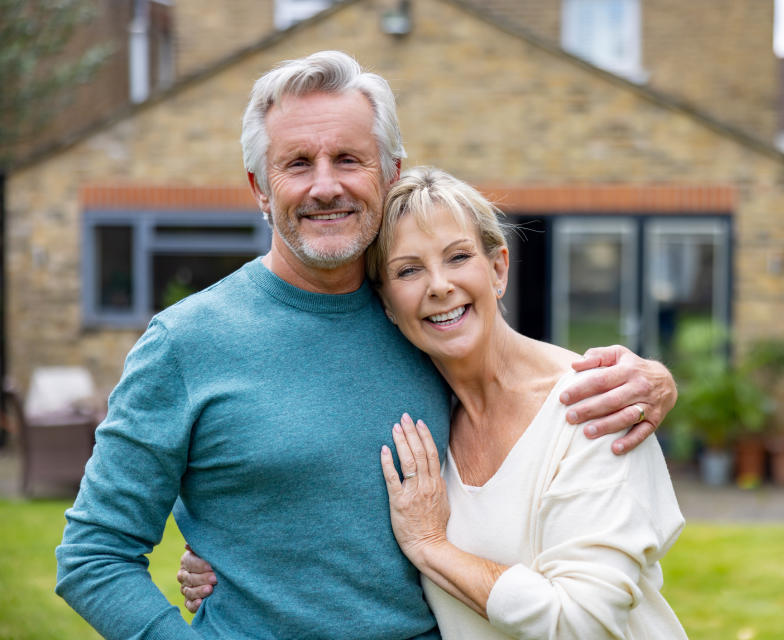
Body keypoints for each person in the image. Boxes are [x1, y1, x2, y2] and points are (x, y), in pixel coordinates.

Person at [57, 51, 676, 639]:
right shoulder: (186, 344)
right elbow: (94, 556)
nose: (326, 186)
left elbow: (518, 386)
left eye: (349, 159)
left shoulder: (423, 323)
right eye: (297, 163)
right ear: (259, 187)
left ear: (391, 173)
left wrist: (649, 378)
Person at [182, 166, 687, 638]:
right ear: (385, 302)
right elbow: (325, 516)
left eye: (458, 257)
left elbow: (584, 623)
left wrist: (432, 548)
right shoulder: (413, 411)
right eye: (408, 271)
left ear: (498, 267)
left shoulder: (599, 405)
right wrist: (230, 556)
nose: (440, 286)